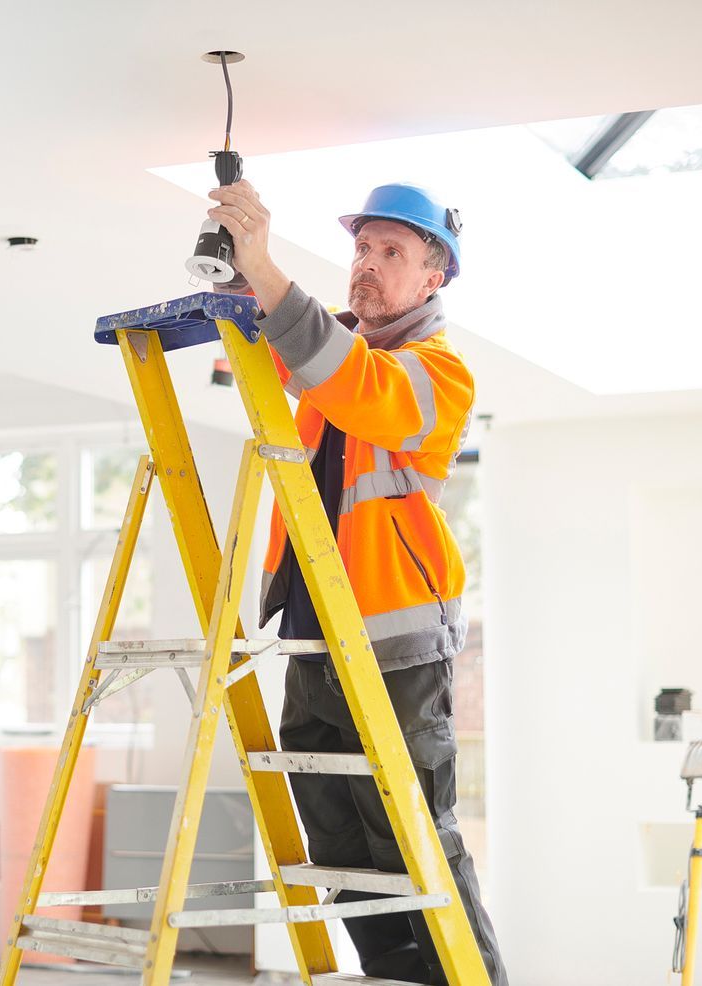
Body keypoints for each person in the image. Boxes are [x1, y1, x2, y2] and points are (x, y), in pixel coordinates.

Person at [203, 181, 508, 984]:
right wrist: (237, 271)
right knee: (337, 837)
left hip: (393, 644)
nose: (367, 267)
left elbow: (358, 388)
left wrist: (268, 273)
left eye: (392, 253)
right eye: (363, 248)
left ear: (432, 279)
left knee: (409, 831)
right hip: (312, 633)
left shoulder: (438, 374)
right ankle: (396, 975)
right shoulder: (331, 351)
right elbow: (267, 359)